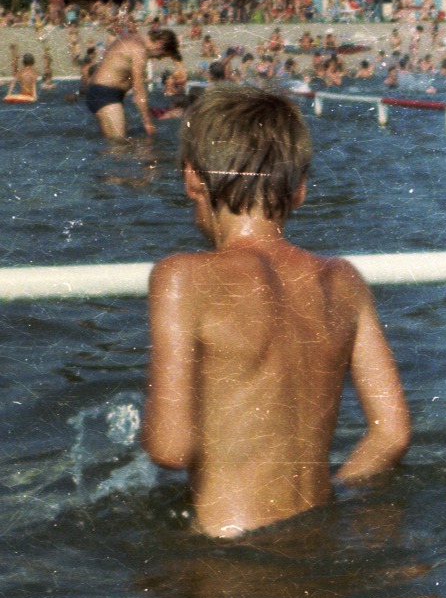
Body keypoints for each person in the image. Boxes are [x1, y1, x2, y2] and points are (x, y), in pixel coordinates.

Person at [142, 85, 411, 538]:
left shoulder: (182, 276)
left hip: (230, 561)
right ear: (300, 190)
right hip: (316, 539)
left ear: (191, 178)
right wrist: (336, 490)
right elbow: (392, 434)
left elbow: (171, 447)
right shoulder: (343, 280)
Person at [81, 27, 181, 139]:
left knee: (111, 143)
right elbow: (138, 90)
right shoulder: (139, 49)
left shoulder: (131, 38)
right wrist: (148, 122)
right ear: (160, 44)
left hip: (99, 92)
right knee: (119, 144)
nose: (158, 59)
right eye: (162, 55)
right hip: (106, 95)